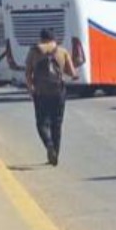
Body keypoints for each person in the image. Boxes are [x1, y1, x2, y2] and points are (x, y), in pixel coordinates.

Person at [24, 28, 77, 166]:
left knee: (41, 123)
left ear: (41, 38)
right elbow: (72, 72)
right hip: (58, 92)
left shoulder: (33, 51)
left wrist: (31, 89)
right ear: (54, 38)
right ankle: (55, 155)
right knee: (57, 123)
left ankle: (49, 144)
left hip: (41, 93)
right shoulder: (62, 51)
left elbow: (28, 73)